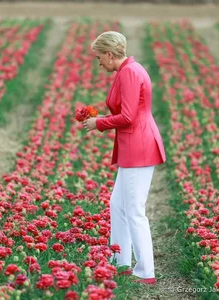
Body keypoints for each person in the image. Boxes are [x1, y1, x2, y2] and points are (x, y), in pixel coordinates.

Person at [83, 31, 166, 285]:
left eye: (99, 57)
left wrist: (99, 123)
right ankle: (121, 261)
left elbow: (128, 116)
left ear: (110, 54)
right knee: (117, 205)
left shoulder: (129, 73)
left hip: (138, 147)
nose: (98, 63)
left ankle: (146, 271)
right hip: (134, 145)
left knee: (134, 210)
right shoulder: (130, 69)